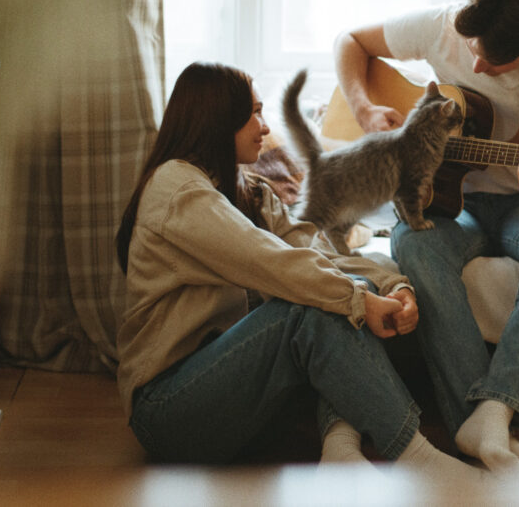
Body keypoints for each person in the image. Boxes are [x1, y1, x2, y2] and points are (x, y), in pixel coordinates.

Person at [115, 61, 487, 482]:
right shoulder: (176, 188)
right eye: (253, 113)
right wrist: (359, 300)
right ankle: (419, 459)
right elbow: (268, 261)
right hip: (170, 410)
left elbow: (318, 251)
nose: (263, 125)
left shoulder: (248, 190)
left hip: (239, 398)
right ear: (219, 118)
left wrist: (392, 283)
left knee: (335, 287)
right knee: (312, 302)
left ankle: (340, 448)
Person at [334, 0, 519, 472]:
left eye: (495, 63)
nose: (476, 68)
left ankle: (495, 410)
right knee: (411, 243)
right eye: (474, 50)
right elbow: (350, 41)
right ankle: (481, 426)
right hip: (452, 205)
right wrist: (365, 109)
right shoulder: (441, 25)